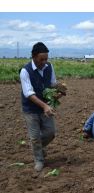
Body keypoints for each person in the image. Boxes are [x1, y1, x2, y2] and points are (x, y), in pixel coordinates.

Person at [20, 42, 63, 172]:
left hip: (46, 106)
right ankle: (39, 159)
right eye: (41, 59)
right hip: (31, 109)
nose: (44, 62)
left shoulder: (49, 67)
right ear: (33, 57)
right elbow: (28, 93)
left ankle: (38, 147)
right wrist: (44, 106)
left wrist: (60, 90)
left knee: (50, 133)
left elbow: (52, 83)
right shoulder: (25, 71)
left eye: (46, 59)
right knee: (34, 137)